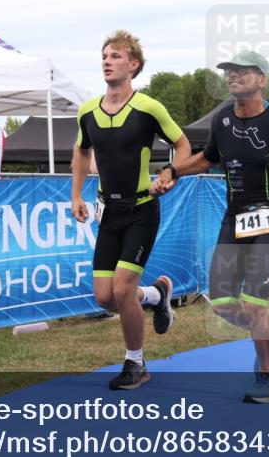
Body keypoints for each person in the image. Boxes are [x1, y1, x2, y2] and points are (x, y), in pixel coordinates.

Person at [165, 51, 269, 404]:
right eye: (229, 72)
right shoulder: (222, 120)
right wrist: (175, 171)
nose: (233, 76)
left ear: (263, 79)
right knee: (223, 303)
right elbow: (208, 158)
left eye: (243, 72)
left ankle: (266, 376)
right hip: (234, 218)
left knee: (254, 304)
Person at [71, 30, 192, 391]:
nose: (107, 61)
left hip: (142, 209)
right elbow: (81, 151)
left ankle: (135, 363)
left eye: (116, 56)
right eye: (105, 56)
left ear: (133, 65)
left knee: (123, 289)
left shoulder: (149, 108)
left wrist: (171, 172)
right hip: (108, 213)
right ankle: (156, 296)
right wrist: (76, 195)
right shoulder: (87, 110)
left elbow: (183, 145)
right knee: (105, 297)